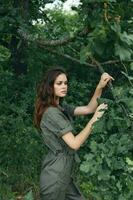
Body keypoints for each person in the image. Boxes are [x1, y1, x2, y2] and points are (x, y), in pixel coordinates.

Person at [34, 67, 114, 200]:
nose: (64, 86)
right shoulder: (52, 113)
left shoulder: (60, 108)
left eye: (65, 83)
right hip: (55, 177)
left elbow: (89, 108)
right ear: (49, 86)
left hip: (63, 175)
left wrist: (99, 87)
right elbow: (74, 143)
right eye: (59, 83)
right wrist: (95, 119)